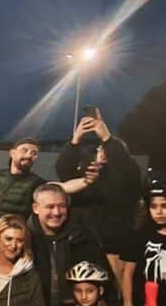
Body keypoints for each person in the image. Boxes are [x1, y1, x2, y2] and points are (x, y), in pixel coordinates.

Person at [55, 110, 143, 274]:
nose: (104, 152)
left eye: (108, 150)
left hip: (113, 247)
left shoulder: (126, 176)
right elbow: (63, 171)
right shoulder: (87, 172)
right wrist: (75, 141)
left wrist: (107, 138)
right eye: (101, 149)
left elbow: (127, 167)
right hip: (81, 241)